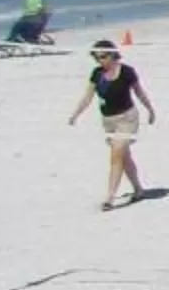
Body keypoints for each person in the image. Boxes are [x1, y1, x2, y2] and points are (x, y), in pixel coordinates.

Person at [65, 39, 155, 210]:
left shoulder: (127, 72)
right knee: (123, 156)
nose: (100, 61)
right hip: (108, 121)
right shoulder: (97, 74)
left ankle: (110, 198)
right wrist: (75, 115)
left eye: (103, 56)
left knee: (115, 155)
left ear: (113, 54)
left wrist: (150, 110)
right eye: (97, 58)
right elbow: (88, 96)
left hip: (127, 118)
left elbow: (139, 92)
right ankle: (138, 189)